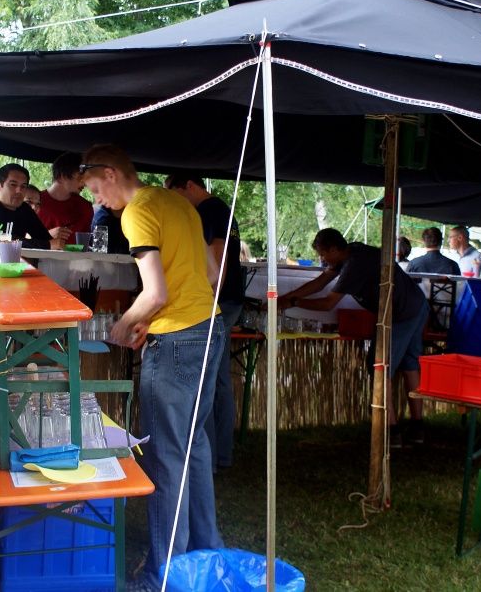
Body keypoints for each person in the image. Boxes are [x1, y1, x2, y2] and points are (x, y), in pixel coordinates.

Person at [80, 144, 224, 591]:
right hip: (210, 328)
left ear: (109, 172)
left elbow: (155, 292)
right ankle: (206, 553)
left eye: (95, 189)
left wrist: (122, 327)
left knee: (165, 456)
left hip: (177, 340)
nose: (97, 200)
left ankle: (165, 573)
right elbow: (212, 273)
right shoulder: (177, 203)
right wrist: (152, 318)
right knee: (193, 445)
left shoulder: (137, 211)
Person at [278, 229, 428, 447]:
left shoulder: (353, 266)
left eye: (323, 254)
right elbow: (321, 281)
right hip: (416, 304)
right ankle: (417, 428)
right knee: (409, 365)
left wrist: (294, 302)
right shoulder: (353, 250)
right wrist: (285, 298)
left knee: (379, 367)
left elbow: (328, 303)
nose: (322, 259)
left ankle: (391, 431)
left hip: (399, 313)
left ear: (333, 249)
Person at [165, 171, 244, 472]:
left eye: (173, 193)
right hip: (227, 299)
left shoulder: (209, 210)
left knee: (206, 380)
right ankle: (218, 455)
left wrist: (208, 302)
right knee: (216, 378)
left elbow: (218, 258)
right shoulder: (222, 209)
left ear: (189, 186)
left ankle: (208, 458)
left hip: (217, 301)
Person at [0, 163, 62, 249]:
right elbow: (2, 241)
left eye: (23, 186)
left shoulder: (24, 209)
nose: (19, 191)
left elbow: (45, 238)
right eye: (13, 185)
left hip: (13, 260)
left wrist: (51, 243)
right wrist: (47, 244)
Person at [37, 152, 93, 238]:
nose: (85, 183)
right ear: (62, 176)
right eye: (80, 177)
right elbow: (20, 239)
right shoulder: (33, 203)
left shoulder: (86, 208)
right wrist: (46, 236)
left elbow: (86, 243)